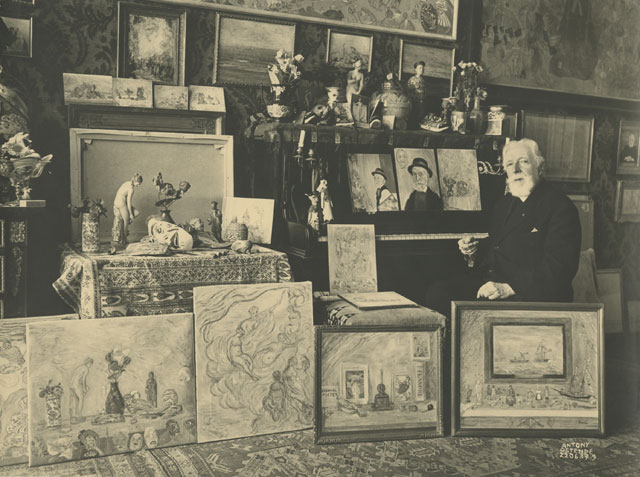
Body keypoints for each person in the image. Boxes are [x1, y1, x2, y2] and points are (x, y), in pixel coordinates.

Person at [424, 138, 581, 317]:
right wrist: (474, 251)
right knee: (439, 293)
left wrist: (508, 288)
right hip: (495, 285)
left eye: (523, 162)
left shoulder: (560, 207)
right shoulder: (505, 203)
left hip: (531, 295)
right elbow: (499, 243)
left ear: (539, 167)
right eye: (509, 164)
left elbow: (559, 269)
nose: (515, 170)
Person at [111, 173, 143, 251]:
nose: (138, 186)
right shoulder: (131, 189)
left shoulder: (127, 183)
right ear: (135, 181)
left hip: (116, 202)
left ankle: (123, 236)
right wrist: (131, 214)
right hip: (121, 204)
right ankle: (124, 241)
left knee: (137, 213)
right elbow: (128, 202)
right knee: (126, 222)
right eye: (138, 184)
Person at [69, 357, 93, 423]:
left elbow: (76, 377)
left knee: (76, 400)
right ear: (89, 363)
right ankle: (78, 416)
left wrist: (85, 386)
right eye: (91, 364)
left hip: (71, 385)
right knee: (81, 399)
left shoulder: (80, 367)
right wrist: (84, 388)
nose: (91, 366)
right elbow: (83, 379)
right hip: (77, 385)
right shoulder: (86, 369)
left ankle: (74, 417)